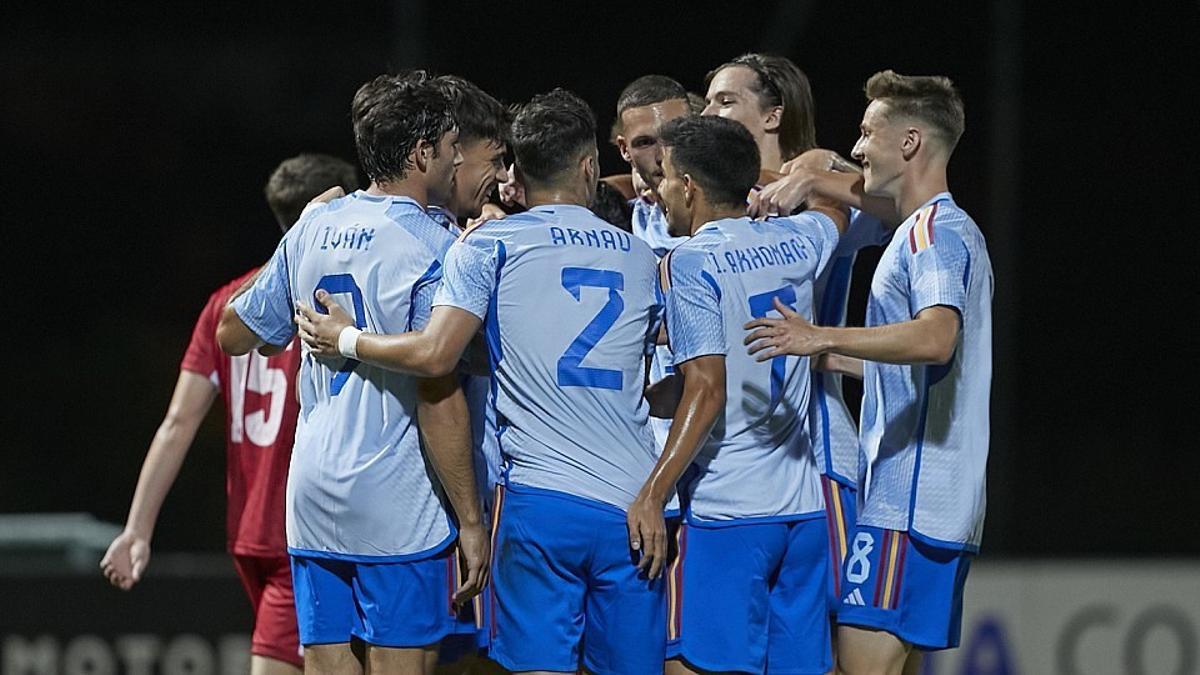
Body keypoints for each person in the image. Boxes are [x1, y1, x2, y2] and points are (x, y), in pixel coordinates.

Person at [295, 89, 671, 675]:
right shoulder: (641, 257)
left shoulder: (491, 245)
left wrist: (346, 338)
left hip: (538, 502)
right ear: (590, 165)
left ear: (515, 173)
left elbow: (436, 353)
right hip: (631, 502)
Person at [216, 71, 488, 675]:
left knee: (327, 664)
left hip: (311, 490)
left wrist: (295, 248)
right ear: (422, 153)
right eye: (449, 147)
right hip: (394, 498)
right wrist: (472, 518)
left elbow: (231, 334)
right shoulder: (437, 244)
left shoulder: (314, 223)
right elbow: (437, 390)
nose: (455, 160)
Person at [744, 70, 992, 675]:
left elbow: (936, 338)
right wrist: (828, 358)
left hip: (908, 503)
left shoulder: (934, 233)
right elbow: (924, 366)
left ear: (908, 143)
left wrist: (820, 333)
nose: (856, 148)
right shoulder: (929, 228)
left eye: (866, 132)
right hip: (926, 500)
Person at [100, 153, 357, 675]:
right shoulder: (335, 299)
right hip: (305, 526)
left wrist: (137, 527)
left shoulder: (229, 303)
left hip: (247, 531)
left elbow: (178, 422)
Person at [625, 114, 848, 674]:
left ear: (690, 187)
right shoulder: (797, 240)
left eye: (667, 178)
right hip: (802, 510)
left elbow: (707, 387)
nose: (661, 191)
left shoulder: (690, 261)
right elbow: (838, 209)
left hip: (731, 510)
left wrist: (653, 492)